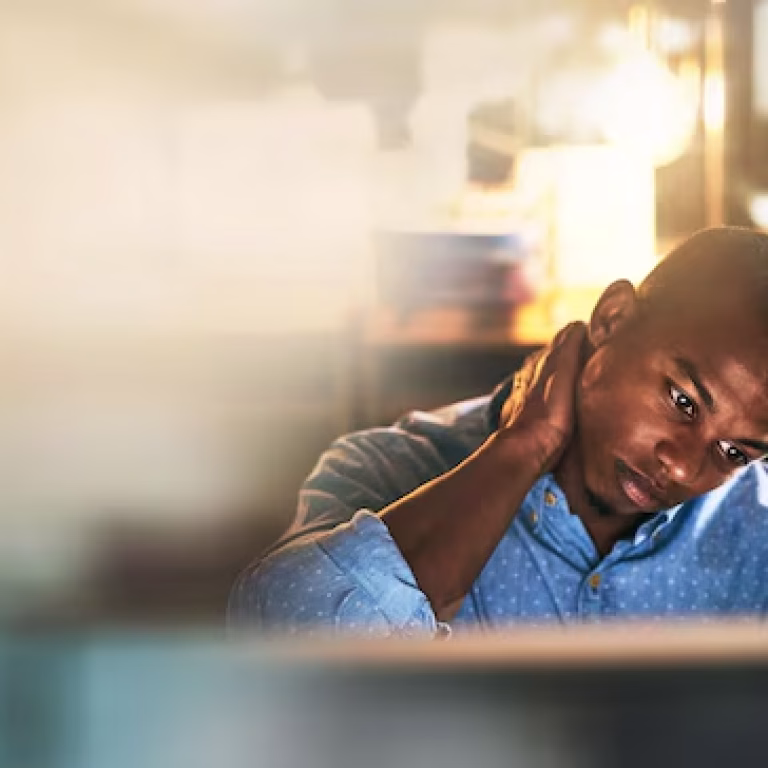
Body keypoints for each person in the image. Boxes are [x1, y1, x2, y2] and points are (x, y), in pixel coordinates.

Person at [229, 227, 768, 636]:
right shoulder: (386, 469)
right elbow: (280, 640)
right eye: (682, 401)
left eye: (734, 452)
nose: (683, 467)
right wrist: (522, 449)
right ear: (612, 318)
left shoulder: (757, 533)